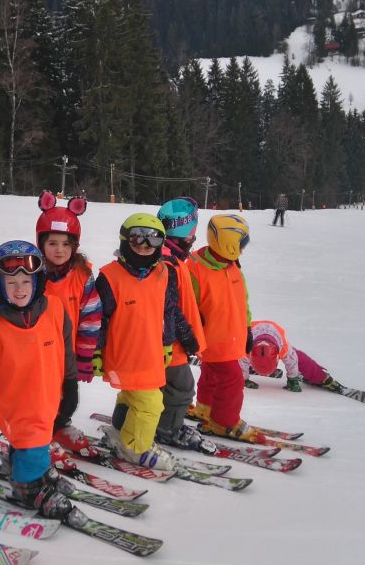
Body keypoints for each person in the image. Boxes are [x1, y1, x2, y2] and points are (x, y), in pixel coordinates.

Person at [0, 241, 79, 519]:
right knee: (33, 441)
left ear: (37, 282)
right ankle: (27, 485)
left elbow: (66, 351)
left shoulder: (55, 310)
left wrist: (70, 384)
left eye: (25, 282)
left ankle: (28, 466)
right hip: (15, 405)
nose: (19, 289)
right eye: (11, 283)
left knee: (38, 439)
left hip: (48, 398)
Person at [96, 214, 199, 470]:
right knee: (151, 402)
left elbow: (168, 312)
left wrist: (167, 344)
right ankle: (136, 448)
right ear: (124, 240)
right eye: (137, 239)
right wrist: (95, 352)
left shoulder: (163, 273)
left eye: (152, 240)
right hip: (123, 354)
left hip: (150, 353)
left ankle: (121, 431)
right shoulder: (110, 277)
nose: (144, 246)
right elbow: (99, 319)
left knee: (131, 396)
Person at [34, 191, 101, 454]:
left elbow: (91, 319)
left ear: (75, 245)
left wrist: (84, 357)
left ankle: (60, 425)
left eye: (65, 243)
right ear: (41, 243)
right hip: (38, 352)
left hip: (68, 352)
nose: (59, 250)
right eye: (52, 243)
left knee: (67, 397)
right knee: (41, 395)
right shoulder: (31, 274)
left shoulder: (82, 276)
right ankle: (39, 434)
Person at [188, 214, 261, 442]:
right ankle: (224, 422)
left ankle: (206, 409)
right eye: (242, 244)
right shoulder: (195, 268)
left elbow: (243, 301)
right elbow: (187, 305)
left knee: (212, 375)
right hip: (213, 338)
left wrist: (247, 328)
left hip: (231, 336)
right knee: (232, 379)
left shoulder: (232, 266)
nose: (243, 249)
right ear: (229, 245)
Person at [154, 197, 210, 452]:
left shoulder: (167, 258)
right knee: (182, 387)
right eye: (191, 237)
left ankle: (142, 420)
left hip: (167, 340)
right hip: (170, 342)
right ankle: (168, 429)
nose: (193, 242)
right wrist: (186, 335)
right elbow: (169, 308)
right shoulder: (168, 264)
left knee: (154, 386)